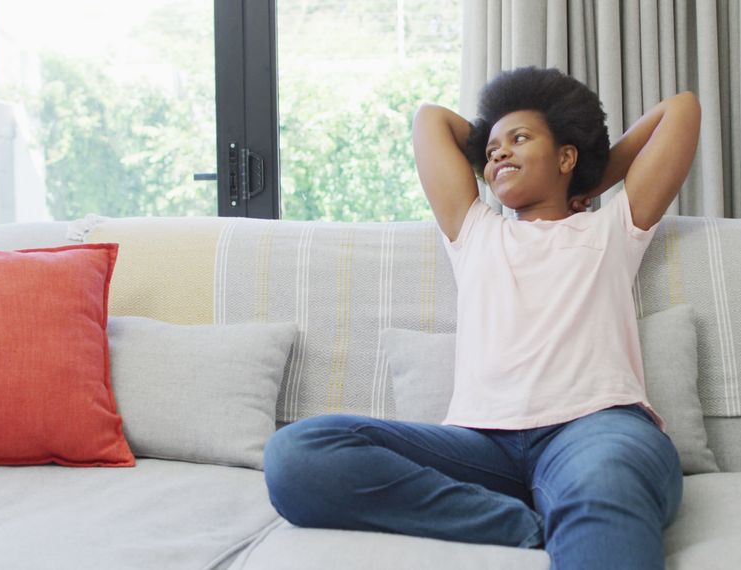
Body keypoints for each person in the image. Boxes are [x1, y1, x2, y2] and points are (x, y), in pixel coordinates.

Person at [263, 67, 701, 570]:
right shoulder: (474, 232)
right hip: (478, 447)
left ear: (565, 155)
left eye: (519, 139)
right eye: (491, 150)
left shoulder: (610, 229)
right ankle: (522, 525)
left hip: (594, 429)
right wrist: (519, 157)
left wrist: (588, 175)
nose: (498, 153)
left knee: (606, 483)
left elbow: (681, 110)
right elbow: (430, 119)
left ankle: (571, 509)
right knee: (297, 453)